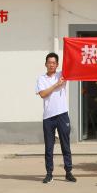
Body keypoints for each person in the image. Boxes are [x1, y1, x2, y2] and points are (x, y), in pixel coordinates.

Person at [35, 52, 75, 184]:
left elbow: (73, 65)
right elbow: (43, 94)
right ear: (45, 64)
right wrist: (56, 85)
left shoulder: (62, 74)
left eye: (54, 63)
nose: (51, 65)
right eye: (49, 62)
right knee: (49, 147)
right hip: (48, 116)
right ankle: (49, 173)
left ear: (57, 64)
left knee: (65, 144)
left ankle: (68, 172)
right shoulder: (41, 79)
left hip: (62, 114)